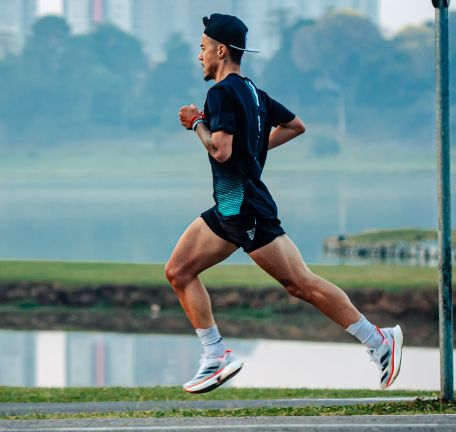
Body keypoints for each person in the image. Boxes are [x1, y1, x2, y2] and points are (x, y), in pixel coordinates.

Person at [166, 13, 403, 394]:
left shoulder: (221, 94)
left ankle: (379, 341)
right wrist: (253, 149)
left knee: (301, 284)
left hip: (247, 210)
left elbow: (221, 150)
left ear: (221, 50)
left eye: (203, 48)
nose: (200, 56)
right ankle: (215, 356)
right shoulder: (255, 93)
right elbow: (295, 125)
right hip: (228, 208)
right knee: (178, 271)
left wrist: (196, 122)